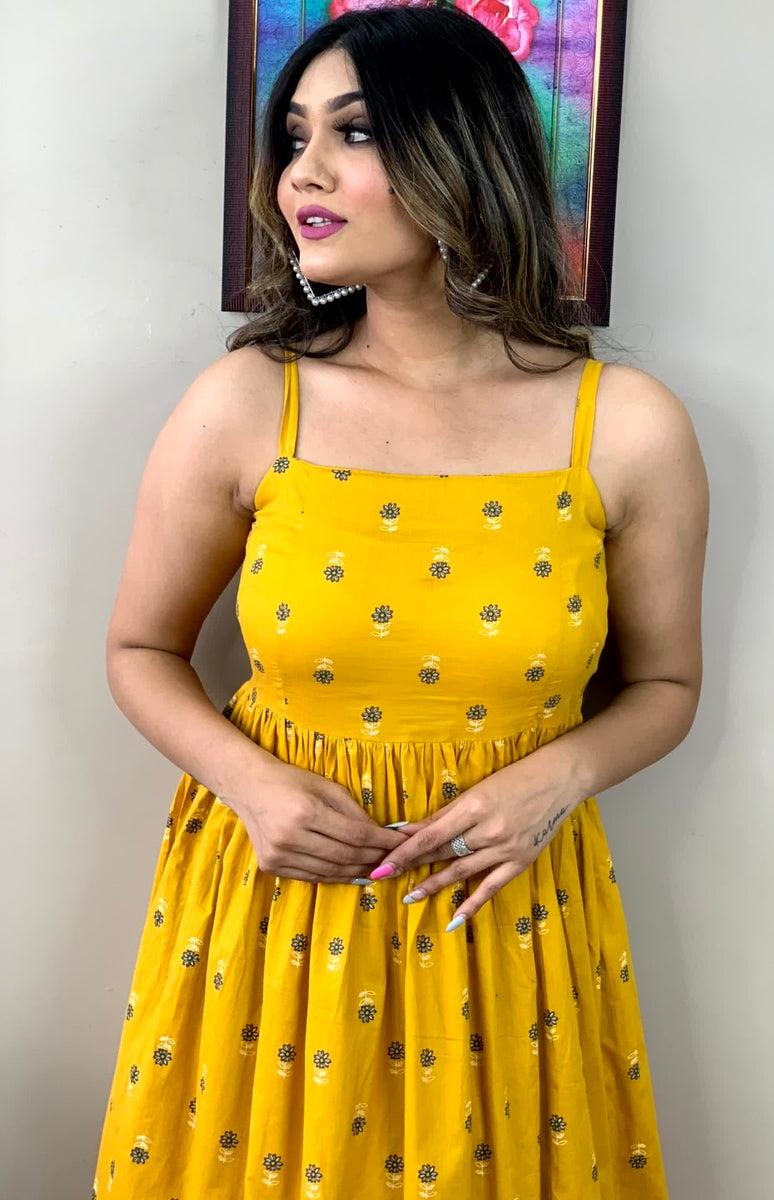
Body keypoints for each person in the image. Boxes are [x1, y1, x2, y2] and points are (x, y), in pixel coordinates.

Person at [92, 6, 708, 1197]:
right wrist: (252, 785)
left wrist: (558, 779)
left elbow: (668, 685)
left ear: (462, 153)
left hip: (508, 920)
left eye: (356, 132)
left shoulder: (625, 427)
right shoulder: (248, 401)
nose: (302, 174)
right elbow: (138, 648)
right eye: (294, 136)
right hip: (276, 915)